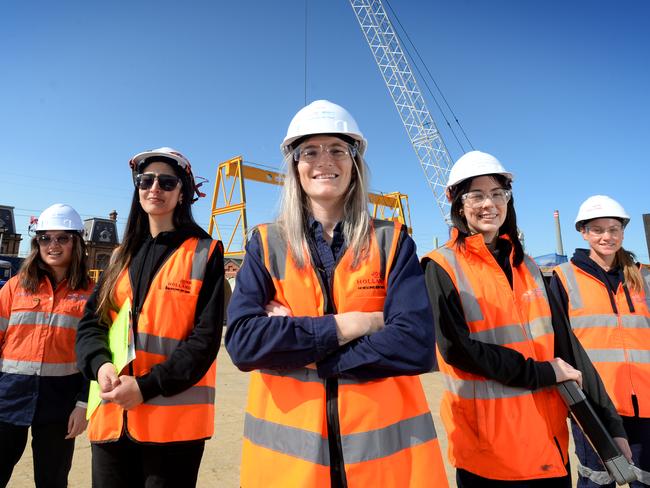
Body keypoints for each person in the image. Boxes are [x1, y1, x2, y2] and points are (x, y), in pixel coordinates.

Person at [226, 99, 448, 487]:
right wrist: (353, 324)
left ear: (355, 163)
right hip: (291, 470)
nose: (323, 160)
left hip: (382, 468)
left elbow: (414, 344)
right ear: (295, 166)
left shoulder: (392, 241)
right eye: (309, 151)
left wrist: (301, 348)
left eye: (337, 149)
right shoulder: (266, 242)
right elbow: (244, 344)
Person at [421, 151, 631, 487]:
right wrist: (542, 372)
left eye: (497, 194)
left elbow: (568, 348)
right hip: (488, 455)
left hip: (549, 449)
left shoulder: (529, 267)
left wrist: (610, 424)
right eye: (476, 195)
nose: (489, 204)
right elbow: (456, 349)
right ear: (457, 203)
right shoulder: (440, 266)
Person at [75, 147, 225, 488]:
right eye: (146, 180)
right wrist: (100, 365)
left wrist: (146, 387)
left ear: (183, 191)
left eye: (166, 182)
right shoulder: (119, 256)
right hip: (112, 421)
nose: (154, 188)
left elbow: (204, 342)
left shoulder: (205, 252)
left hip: (172, 429)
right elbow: (91, 325)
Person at [551, 195, 650, 487]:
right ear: (583, 232)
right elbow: (561, 344)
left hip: (645, 405)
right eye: (597, 229)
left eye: (614, 229)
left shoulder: (643, 277)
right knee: (597, 480)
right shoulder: (564, 277)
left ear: (623, 231)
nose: (607, 236)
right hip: (594, 404)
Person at [0, 203, 92, 488]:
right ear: (36, 242)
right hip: (7, 397)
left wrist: (84, 403)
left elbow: (97, 354)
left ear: (76, 243)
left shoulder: (92, 294)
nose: (53, 245)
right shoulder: (16, 287)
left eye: (62, 238)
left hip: (61, 403)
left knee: (52, 480)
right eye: (45, 238)